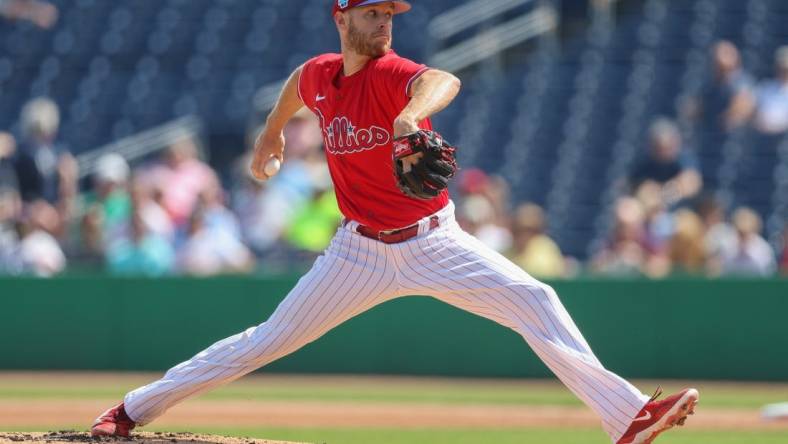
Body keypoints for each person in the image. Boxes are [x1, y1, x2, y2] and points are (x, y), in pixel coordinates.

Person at [90, 2, 698, 444]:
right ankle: (131, 410)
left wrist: (410, 116)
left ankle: (628, 416)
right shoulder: (320, 75)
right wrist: (270, 136)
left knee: (534, 299)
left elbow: (444, 79)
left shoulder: (392, 73)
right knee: (264, 342)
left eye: (390, 15)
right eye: (372, 14)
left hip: (435, 241)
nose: (384, 24)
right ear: (342, 18)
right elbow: (294, 91)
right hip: (356, 255)